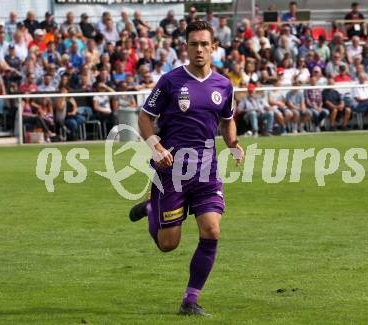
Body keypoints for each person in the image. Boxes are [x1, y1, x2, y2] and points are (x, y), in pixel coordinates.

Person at [128, 20, 244, 316]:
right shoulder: (170, 81)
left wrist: (233, 143)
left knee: (212, 230)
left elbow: (227, 119)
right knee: (168, 244)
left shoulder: (223, 85)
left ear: (213, 47)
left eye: (205, 44)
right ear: (186, 47)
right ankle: (152, 210)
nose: (199, 49)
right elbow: (144, 117)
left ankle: (190, 300)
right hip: (172, 172)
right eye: (194, 44)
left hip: (207, 171)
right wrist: (156, 146)